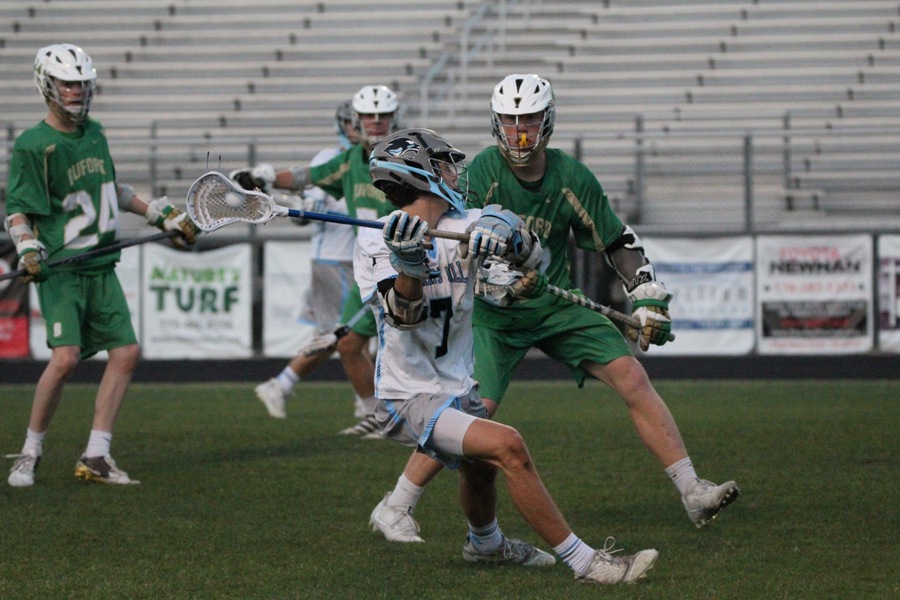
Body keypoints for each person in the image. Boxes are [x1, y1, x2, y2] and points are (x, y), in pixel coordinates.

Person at [369, 74, 739, 541]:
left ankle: (692, 490)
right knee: (473, 411)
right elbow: (451, 229)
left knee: (632, 376)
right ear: (495, 122)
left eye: (528, 120)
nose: (519, 131)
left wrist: (642, 286)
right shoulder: (480, 172)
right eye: (509, 120)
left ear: (547, 121)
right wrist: (492, 274)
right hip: (489, 314)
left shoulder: (570, 176)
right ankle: (398, 501)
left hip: (552, 301)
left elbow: (614, 238)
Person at [358, 127, 659, 585]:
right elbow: (405, 317)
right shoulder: (377, 240)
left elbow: (534, 259)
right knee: (509, 447)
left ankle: (486, 546)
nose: (454, 173)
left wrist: (511, 234)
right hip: (408, 395)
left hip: (457, 384)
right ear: (419, 173)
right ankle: (588, 564)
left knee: (480, 472)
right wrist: (409, 267)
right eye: (443, 164)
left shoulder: (468, 219)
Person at [4, 44, 199, 487]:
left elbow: (113, 189)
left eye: (81, 83)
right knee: (66, 359)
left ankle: (96, 454)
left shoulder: (94, 132)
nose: (76, 91)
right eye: (67, 83)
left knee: (126, 353)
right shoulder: (35, 145)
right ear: (47, 85)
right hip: (63, 270)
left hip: (100, 265)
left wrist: (159, 215)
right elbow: (18, 209)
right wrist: (27, 246)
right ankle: (30, 450)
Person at [232, 84, 400, 436]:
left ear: (393, 117)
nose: (376, 122)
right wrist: (266, 177)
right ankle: (376, 414)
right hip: (367, 268)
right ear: (356, 120)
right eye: (369, 116)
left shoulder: (404, 156)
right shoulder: (351, 160)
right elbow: (308, 177)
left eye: (382, 115)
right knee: (349, 343)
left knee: (398, 344)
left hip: (404, 265)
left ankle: (419, 413)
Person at [252, 101, 366, 420]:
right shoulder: (332, 158)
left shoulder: (367, 157)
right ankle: (363, 401)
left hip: (353, 257)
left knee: (349, 333)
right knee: (345, 334)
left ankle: (285, 384)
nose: (356, 128)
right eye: (351, 122)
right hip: (335, 257)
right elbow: (307, 211)